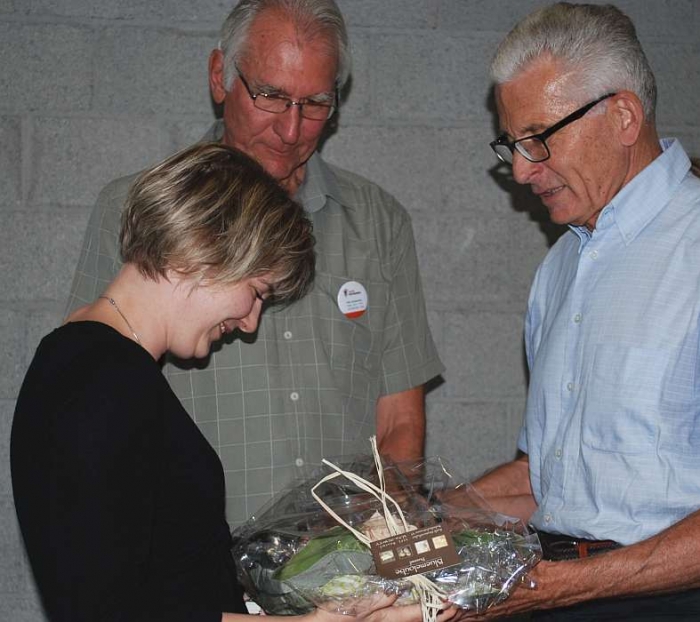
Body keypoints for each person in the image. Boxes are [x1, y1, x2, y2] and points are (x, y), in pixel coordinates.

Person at [10, 142, 440, 622]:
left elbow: (158, 595)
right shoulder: (103, 384)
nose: (251, 321)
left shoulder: (90, 366)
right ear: (206, 250)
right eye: (256, 292)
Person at [65, 0, 442, 528]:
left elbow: (401, 419)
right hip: (190, 569)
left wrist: (366, 539)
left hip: (339, 572)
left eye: (315, 103)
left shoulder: (378, 222)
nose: (291, 130)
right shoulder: (136, 208)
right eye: (271, 96)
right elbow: (91, 393)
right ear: (221, 76)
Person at [472, 3, 700, 620]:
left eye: (539, 139)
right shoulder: (561, 267)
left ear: (623, 116)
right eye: (512, 145)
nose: (521, 170)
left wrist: (563, 586)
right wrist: (422, 511)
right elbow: (553, 480)